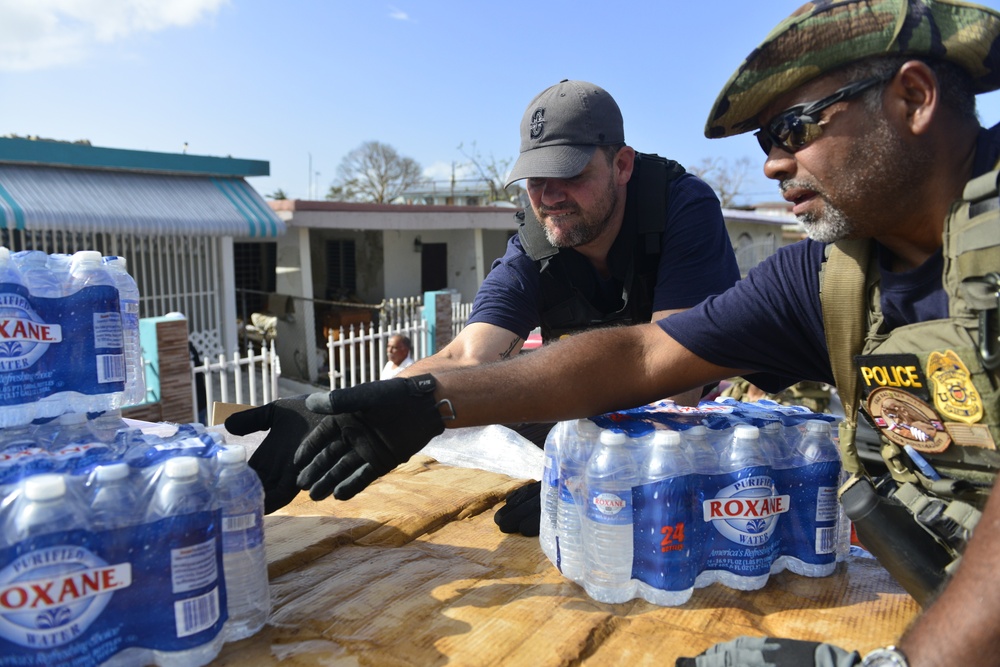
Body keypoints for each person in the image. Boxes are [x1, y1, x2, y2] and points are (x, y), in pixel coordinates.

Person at [270, 1, 1000, 664]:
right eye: (763, 142)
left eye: (794, 127)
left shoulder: (680, 208)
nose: (776, 162)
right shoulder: (828, 278)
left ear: (913, 98)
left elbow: (677, 377)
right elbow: (640, 353)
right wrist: (411, 401)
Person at [227, 79, 741, 528]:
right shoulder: (535, 247)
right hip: (592, 413)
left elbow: (679, 372)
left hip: (683, 426)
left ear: (622, 164)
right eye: (535, 180)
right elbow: (466, 358)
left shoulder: (680, 208)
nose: (550, 196)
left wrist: (597, 477)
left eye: (570, 174)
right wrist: (343, 408)